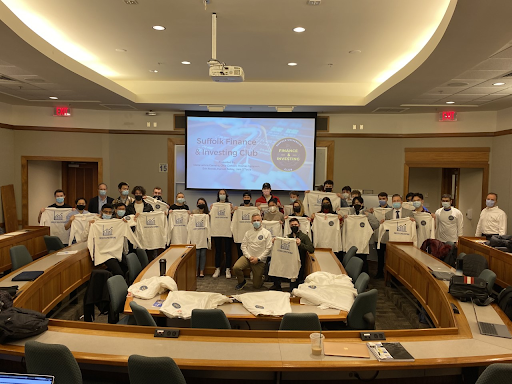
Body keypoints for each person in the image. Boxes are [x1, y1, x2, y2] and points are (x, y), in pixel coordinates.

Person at [269, 217, 314, 291]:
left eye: (295, 224)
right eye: (292, 225)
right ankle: (277, 285)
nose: (294, 226)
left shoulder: (304, 237)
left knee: (293, 288)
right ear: (290, 226)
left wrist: (300, 244)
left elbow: (311, 249)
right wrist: (276, 241)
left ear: (299, 225)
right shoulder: (288, 237)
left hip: (299, 262)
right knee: (273, 264)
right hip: (287, 261)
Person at [376, 194, 414, 279]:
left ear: (401, 202)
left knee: (402, 260)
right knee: (391, 260)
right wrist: (384, 223)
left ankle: (402, 277)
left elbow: (415, 226)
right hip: (392, 240)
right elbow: (387, 227)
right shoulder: (388, 214)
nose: (396, 202)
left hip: (403, 240)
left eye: (397, 201)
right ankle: (391, 277)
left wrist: (412, 221)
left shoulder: (408, 212)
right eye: (394, 201)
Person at [233, 213, 272, 290]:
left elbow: (268, 248)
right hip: (248, 257)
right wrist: (249, 257)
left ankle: (261, 277)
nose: (256, 222)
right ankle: (242, 282)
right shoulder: (248, 233)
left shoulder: (267, 233)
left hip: (260, 260)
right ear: (251, 222)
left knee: (256, 286)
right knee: (236, 267)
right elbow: (243, 246)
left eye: (258, 220)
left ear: (261, 221)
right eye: (254, 220)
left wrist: (258, 259)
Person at [349, 196, 380, 273]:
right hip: (352, 241)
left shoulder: (366, 214)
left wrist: (368, 216)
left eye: (358, 203)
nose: (356, 204)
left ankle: (364, 279)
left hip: (363, 241)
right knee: (352, 260)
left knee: (363, 260)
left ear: (362, 204)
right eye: (355, 203)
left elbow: (376, 224)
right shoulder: (349, 214)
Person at [211, 189, 234, 279]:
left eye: (223, 194)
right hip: (217, 231)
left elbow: (233, 216)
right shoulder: (214, 205)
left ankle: (228, 269)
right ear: (218, 195)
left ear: (226, 195)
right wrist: (211, 209)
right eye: (220, 194)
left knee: (228, 251)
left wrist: (233, 209)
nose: (222, 195)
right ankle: (217, 268)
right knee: (218, 251)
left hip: (227, 230)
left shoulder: (229, 205)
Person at [191, 198, 209, 278]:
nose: (201, 204)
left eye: (202, 202)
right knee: (197, 254)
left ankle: (201, 271)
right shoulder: (194, 212)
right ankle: (195, 271)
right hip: (196, 236)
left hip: (204, 236)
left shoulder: (208, 213)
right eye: (199, 203)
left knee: (203, 254)